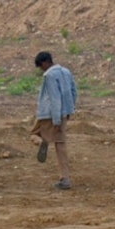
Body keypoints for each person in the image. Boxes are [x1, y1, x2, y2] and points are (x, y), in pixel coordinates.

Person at [30, 51, 77, 190]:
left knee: (33, 134)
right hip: (63, 113)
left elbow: (54, 98)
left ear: (45, 62)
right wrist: (69, 111)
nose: (41, 69)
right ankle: (65, 178)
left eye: (40, 66)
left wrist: (56, 120)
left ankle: (41, 142)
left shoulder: (50, 75)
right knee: (61, 145)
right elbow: (74, 92)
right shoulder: (66, 72)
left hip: (48, 114)